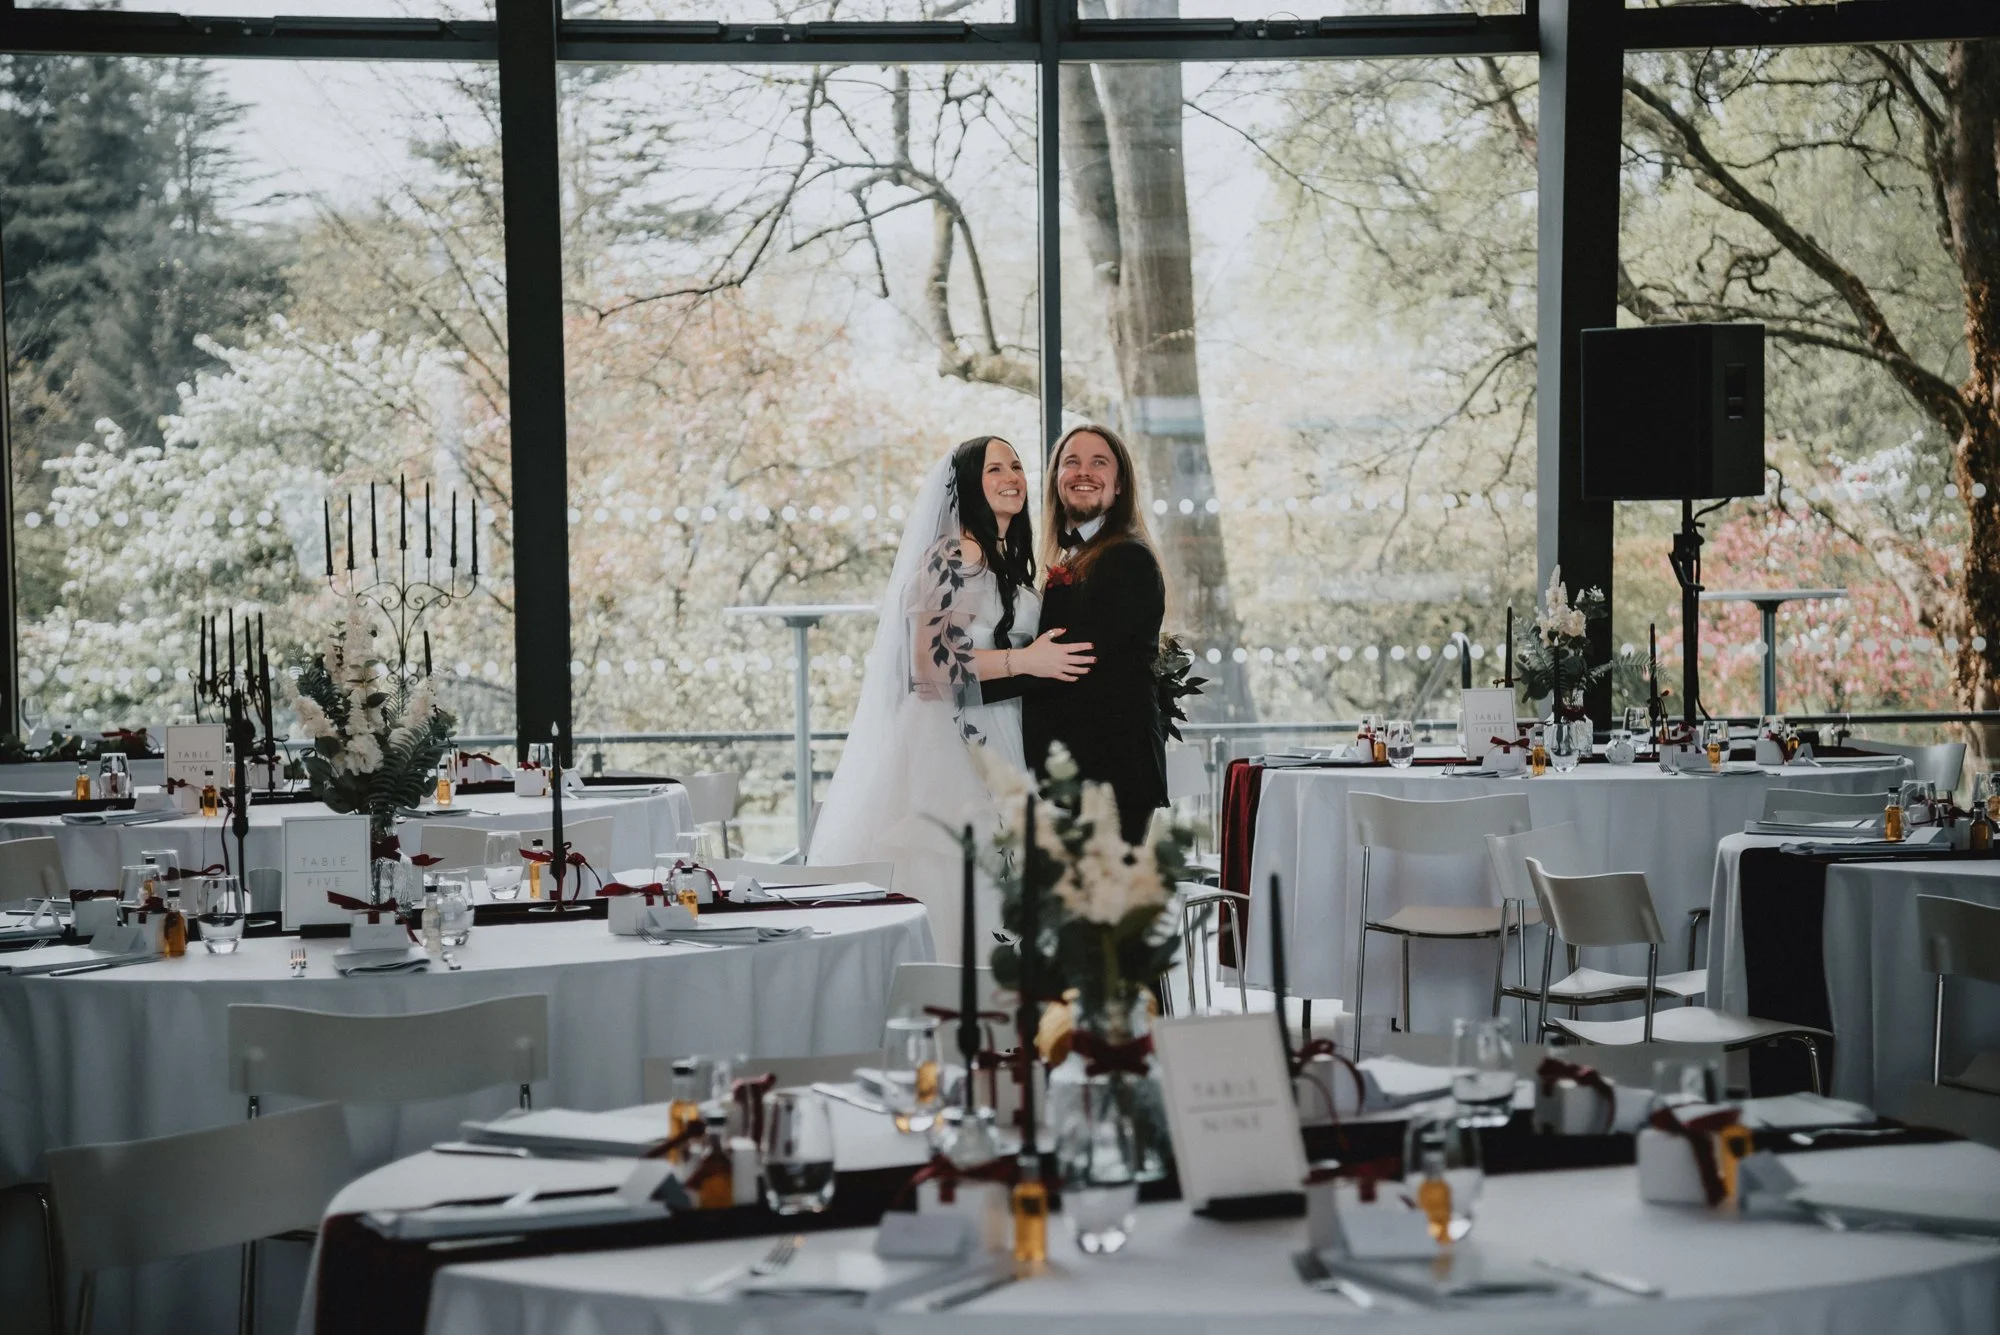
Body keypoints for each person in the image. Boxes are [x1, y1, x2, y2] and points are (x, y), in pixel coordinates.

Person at [809, 436, 1094, 962]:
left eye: (1015, 466)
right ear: (966, 484)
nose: (1012, 477)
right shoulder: (952, 552)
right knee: (954, 872)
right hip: (948, 738)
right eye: (994, 469)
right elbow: (928, 664)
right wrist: (1025, 660)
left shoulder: (1002, 558)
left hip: (1000, 729)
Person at [1023, 423, 1168, 844]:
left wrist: (971, 675)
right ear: (1056, 479)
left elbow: (1071, 658)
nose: (1084, 471)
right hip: (1076, 777)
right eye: (1072, 462)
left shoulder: (1127, 558)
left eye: (1098, 462)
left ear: (1119, 484)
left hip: (1109, 779)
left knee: (1098, 910)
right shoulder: (1076, 554)